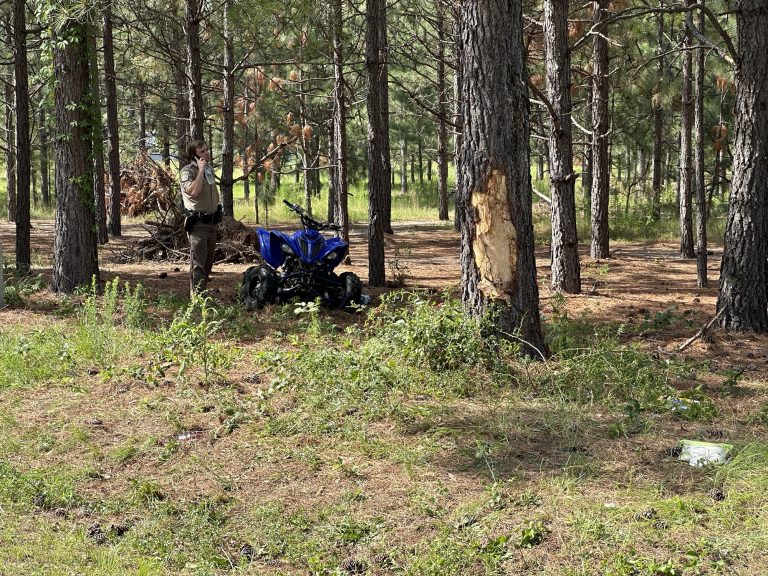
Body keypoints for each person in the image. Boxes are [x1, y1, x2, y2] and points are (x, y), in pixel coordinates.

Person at [179, 139, 222, 295]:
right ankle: (196, 299)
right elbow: (193, 192)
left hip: (211, 224)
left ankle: (201, 293)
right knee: (198, 264)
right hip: (198, 225)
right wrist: (201, 170)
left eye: (207, 149)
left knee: (208, 262)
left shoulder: (209, 169)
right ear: (194, 156)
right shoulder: (188, 171)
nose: (207, 153)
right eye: (202, 151)